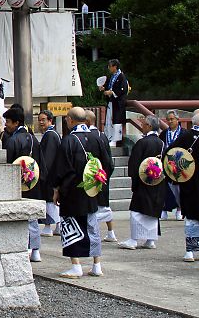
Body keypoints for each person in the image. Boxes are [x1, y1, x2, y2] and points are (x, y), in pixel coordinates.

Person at [53, 107, 112, 278]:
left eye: (66, 120)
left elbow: (62, 168)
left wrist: (57, 189)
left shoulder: (69, 140)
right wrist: (98, 182)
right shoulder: (98, 138)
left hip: (72, 191)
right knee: (92, 226)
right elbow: (107, 164)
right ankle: (97, 264)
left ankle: (76, 264)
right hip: (92, 189)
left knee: (72, 225)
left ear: (70, 120)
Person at [119, 115, 168, 251]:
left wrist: (134, 180)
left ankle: (134, 240)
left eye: (144, 124)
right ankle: (151, 240)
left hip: (143, 180)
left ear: (150, 126)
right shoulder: (162, 143)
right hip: (157, 180)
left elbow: (134, 163)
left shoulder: (142, 143)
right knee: (152, 210)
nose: (142, 126)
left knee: (137, 211)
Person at [3, 107, 44, 262]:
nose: (6, 125)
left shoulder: (13, 140)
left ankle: (25, 247)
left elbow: (8, 164)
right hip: (33, 181)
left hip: (18, 184)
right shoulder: (33, 138)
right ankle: (35, 250)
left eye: (8, 122)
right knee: (32, 216)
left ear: (16, 122)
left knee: (21, 216)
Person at [86, 110, 118, 242]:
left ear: (87, 121)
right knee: (105, 206)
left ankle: (93, 233)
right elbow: (109, 160)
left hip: (91, 175)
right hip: (103, 173)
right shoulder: (103, 135)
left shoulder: (87, 136)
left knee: (94, 207)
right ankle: (111, 232)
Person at [159, 110, 188, 220]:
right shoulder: (164, 133)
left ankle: (180, 209)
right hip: (166, 163)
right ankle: (165, 209)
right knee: (165, 187)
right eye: (168, 119)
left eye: (172, 119)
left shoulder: (184, 133)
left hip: (179, 164)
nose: (170, 121)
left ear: (177, 120)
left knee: (179, 188)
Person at [38, 110, 61, 237]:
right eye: (39, 120)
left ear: (50, 120)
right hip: (53, 174)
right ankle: (57, 226)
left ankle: (48, 226)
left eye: (43, 120)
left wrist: (43, 175)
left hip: (50, 175)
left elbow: (48, 158)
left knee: (49, 201)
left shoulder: (50, 135)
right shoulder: (52, 134)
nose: (41, 122)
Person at [180, 114, 199, 261]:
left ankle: (190, 251)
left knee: (191, 218)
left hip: (188, 182)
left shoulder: (184, 136)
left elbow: (171, 154)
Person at [99, 59, 127, 147]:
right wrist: (104, 88)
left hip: (118, 103)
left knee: (116, 121)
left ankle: (115, 140)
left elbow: (123, 89)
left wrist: (111, 92)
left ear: (115, 67)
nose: (109, 68)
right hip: (111, 102)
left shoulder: (121, 76)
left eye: (110, 66)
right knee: (109, 120)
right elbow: (109, 86)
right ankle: (108, 137)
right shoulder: (113, 76)